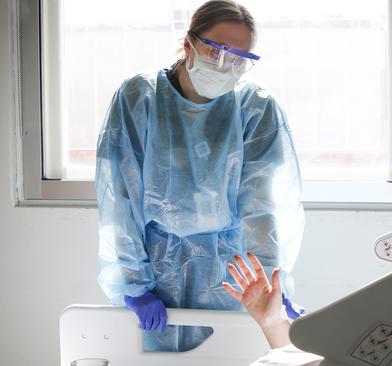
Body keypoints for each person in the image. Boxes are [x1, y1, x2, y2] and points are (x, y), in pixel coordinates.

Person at [95, 0, 304, 352]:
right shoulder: (139, 98)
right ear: (189, 43)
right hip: (155, 271)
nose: (226, 64)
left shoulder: (255, 107)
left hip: (232, 274)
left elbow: (263, 207)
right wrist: (134, 284)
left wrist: (270, 285)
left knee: (226, 356)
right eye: (217, 49)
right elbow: (120, 198)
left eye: (240, 57)